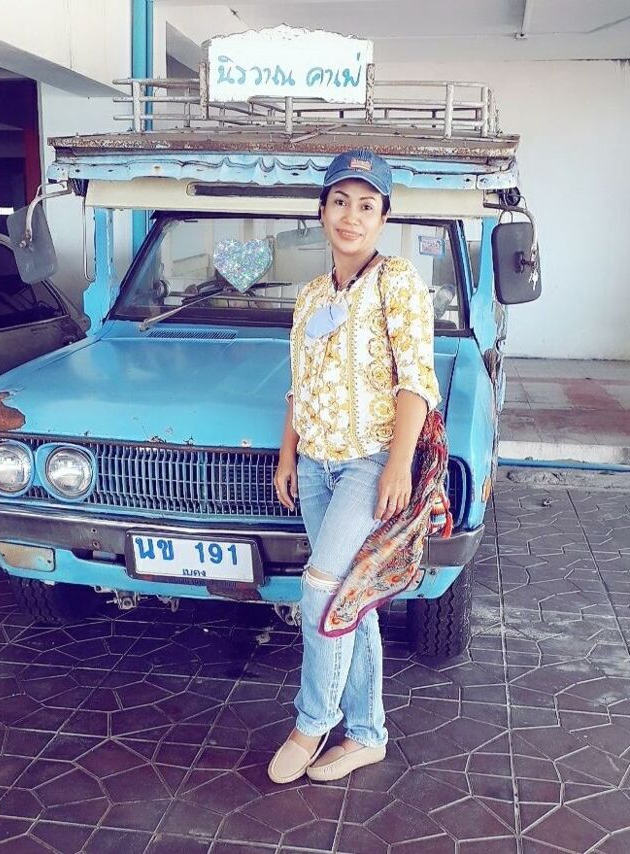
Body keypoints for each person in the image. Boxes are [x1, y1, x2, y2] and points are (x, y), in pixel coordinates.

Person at [268, 148, 441, 784]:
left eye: (367, 205)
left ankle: (312, 721)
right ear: (322, 211)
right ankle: (367, 735)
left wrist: (398, 465)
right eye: (340, 201)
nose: (351, 215)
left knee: (320, 588)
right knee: (351, 597)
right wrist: (288, 455)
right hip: (316, 467)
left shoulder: (397, 282)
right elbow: (299, 385)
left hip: (370, 463)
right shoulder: (311, 296)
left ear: (383, 218)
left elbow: (416, 381)